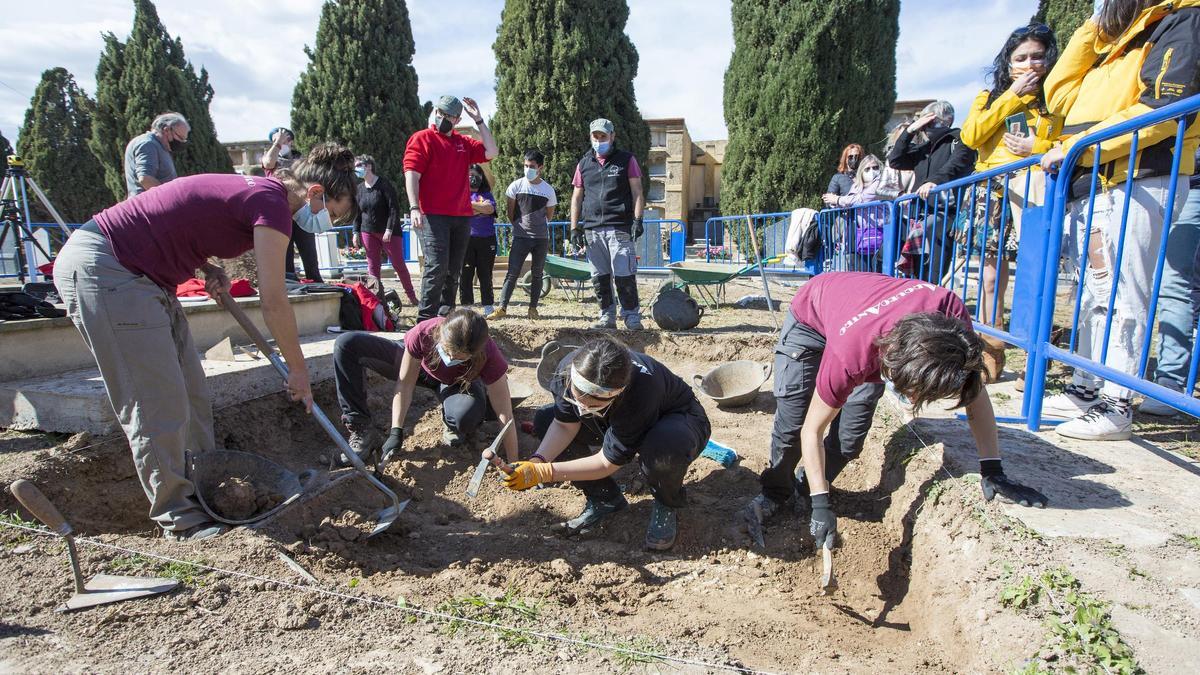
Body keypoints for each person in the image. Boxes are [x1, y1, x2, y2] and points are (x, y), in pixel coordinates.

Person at [53, 143, 358, 541]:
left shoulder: (261, 193)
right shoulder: (273, 205)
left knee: (193, 395)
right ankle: (178, 516)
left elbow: (179, 213)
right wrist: (297, 368)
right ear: (315, 192)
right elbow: (273, 300)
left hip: (147, 275)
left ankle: (208, 490)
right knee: (155, 400)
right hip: (109, 270)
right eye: (330, 213)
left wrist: (202, 262)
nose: (324, 223)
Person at [740, 272, 1047, 549]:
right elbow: (813, 429)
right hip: (813, 316)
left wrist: (992, 470)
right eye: (913, 393)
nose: (914, 402)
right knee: (794, 424)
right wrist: (823, 505)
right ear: (892, 365)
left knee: (849, 439)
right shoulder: (854, 352)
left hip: (869, 318)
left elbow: (974, 394)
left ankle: (805, 487)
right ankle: (776, 493)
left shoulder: (953, 321)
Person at [1039, 0, 1199, 440]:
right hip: (1099, 179)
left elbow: (1167, 106)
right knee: (1095, 292)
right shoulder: (1119, 39)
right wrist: (1094, 26)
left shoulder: (1183, 18)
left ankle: (1117, 402)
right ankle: (1087, 388)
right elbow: (1059, 93)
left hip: (1141, 174)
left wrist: (1083, 146)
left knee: (1126, 291)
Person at [502, 336, 710, 551]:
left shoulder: (642, 390)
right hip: (615, 418)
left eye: (591, 403)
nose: (581, 407)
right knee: (545, 419)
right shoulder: (567, 370)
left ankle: (666, 502)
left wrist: (545, 473)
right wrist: (538, 462)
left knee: (662, 449)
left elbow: (606, 464)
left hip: (676, 420)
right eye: (577, 399)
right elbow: (564, 425)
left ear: (617, 393)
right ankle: (605, 499)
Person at [959, 23, 1061, 327]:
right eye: (1021, 58)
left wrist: (1037, 147)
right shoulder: (988, 98)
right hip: (991, 188)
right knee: (988, 277)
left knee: (1033, 272)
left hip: (1035, 187)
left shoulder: (1055, 98)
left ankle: (1031, 349)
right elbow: (971, 136)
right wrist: (1012, 97)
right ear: (1008, 62)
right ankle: (991, 344)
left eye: (1037, 56)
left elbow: (1063, 142)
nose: (1029, 64)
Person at [332, 308, 519, 456]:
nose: (451, 357)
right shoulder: (425, 332)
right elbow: (405, 384)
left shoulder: (489, 354)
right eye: (447, 350)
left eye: (459, 357)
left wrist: (514, 462)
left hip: (458, 382)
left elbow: (505, 414)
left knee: (466, 418)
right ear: (441, 334)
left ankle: (451, 419)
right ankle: (362, 429)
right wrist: (396, 430)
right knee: (347, 343)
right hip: (420, 366)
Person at [404, 95, 498, 321]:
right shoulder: (422, 138)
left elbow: (492, 152)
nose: (442, 118)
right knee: (437, 266)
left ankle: (445, 315)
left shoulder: (462, 143)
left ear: (456, 119)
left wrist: (478, 120)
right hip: (433, 216)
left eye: (448, 115)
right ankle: (425, 320)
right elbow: (411, 174)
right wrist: (414, 207)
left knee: (453, 270)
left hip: (462, 217)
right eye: (440, 112)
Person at [569, 118, 647, 330]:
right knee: (599, 277)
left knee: (624, 275)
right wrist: (574, 228)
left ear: (612, 136)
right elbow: (577, 197)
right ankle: (606, 316)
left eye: (603, 136)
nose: (599, 140)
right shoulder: (584, 164)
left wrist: (638, 220)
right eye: (596, 136)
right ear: (591, 137)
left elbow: (637, 191)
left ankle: (631, 316)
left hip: (619, 227)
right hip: (592, 230)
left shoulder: (626, 160)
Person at [887, 101, 978, 280]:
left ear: (946, 120)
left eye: (930, 122)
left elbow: (955, 164)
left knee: (934, 271)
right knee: (915, 269)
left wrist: (933, 182)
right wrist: (910, 130)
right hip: (920, 213)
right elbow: (895, 160)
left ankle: (933, 304)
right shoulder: (923, 149)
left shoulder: (959, 139)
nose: (926, 127)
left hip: (945, 213)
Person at [1141, 148, 1200, 416]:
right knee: (1176, 280)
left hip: (1188, 178)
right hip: (1182, 178)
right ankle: (1171, 381)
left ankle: (1171, 381)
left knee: (1174, 281)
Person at [489, 150, 557, 320]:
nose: (528, 169)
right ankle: (502, 308)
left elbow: (549, 216)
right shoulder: (515, 186)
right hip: (521, 237)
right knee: (512, 273)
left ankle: (533, 309)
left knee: (537, 273)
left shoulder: (548, 190)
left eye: (532, 166)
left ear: (540, 167)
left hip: (541, 238)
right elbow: (510, 213)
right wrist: (520, 227)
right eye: (526, 166)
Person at [353, 154, 418, 306]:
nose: (356, 169)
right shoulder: (359, 189)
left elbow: (393, 208)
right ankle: (375, 298)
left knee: (398, 264)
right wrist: (356, 232)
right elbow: (356, 212)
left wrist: (389, 229)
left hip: (389, 232)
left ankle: (412, 296)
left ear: (368, 166)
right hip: (367, 231)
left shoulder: (384, 184)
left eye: (359, 166)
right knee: (373, 267)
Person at [263, 127, 324, 283]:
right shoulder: (270, 157)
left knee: (309, 254)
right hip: (281, 214)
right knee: (286, 255)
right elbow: (268, 162)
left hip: (302, 212)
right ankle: (291, 285)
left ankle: (316, 284)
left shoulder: (301, 161)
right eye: (278, 138)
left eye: (286, 139)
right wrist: (277, 143)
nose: (283, 141)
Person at [822, 154, 887, 272]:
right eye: (867, 169)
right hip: (861, 232)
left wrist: (837, 199)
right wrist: (832, 202)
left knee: (879, 270)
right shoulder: (857, 186)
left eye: (875, 167)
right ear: (861, 172)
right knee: (859, 269)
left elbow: (860, 200)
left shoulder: (881, 182)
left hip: (882, 232)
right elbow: (849, 200)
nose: (872, 171)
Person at [459, 164, 498, 313]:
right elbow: (463, 211)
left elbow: (490, 209)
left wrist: (471, 207)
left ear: (482, 177)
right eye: (469, 175)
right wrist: (479, 208)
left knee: (485, 273)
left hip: (487, 240)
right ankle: (466, 305)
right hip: (466, 240)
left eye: (476, 175)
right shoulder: (460, 193)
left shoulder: (487, 194)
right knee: (466, 274)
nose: (472, 178)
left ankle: (488, 305)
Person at [123, 112, 189, 198]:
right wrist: (171, 198)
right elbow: (145, 179)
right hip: (149, 207)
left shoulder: (160, 146)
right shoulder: (148, 144)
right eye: (180, 138)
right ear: (167, 130)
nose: (181, 143)